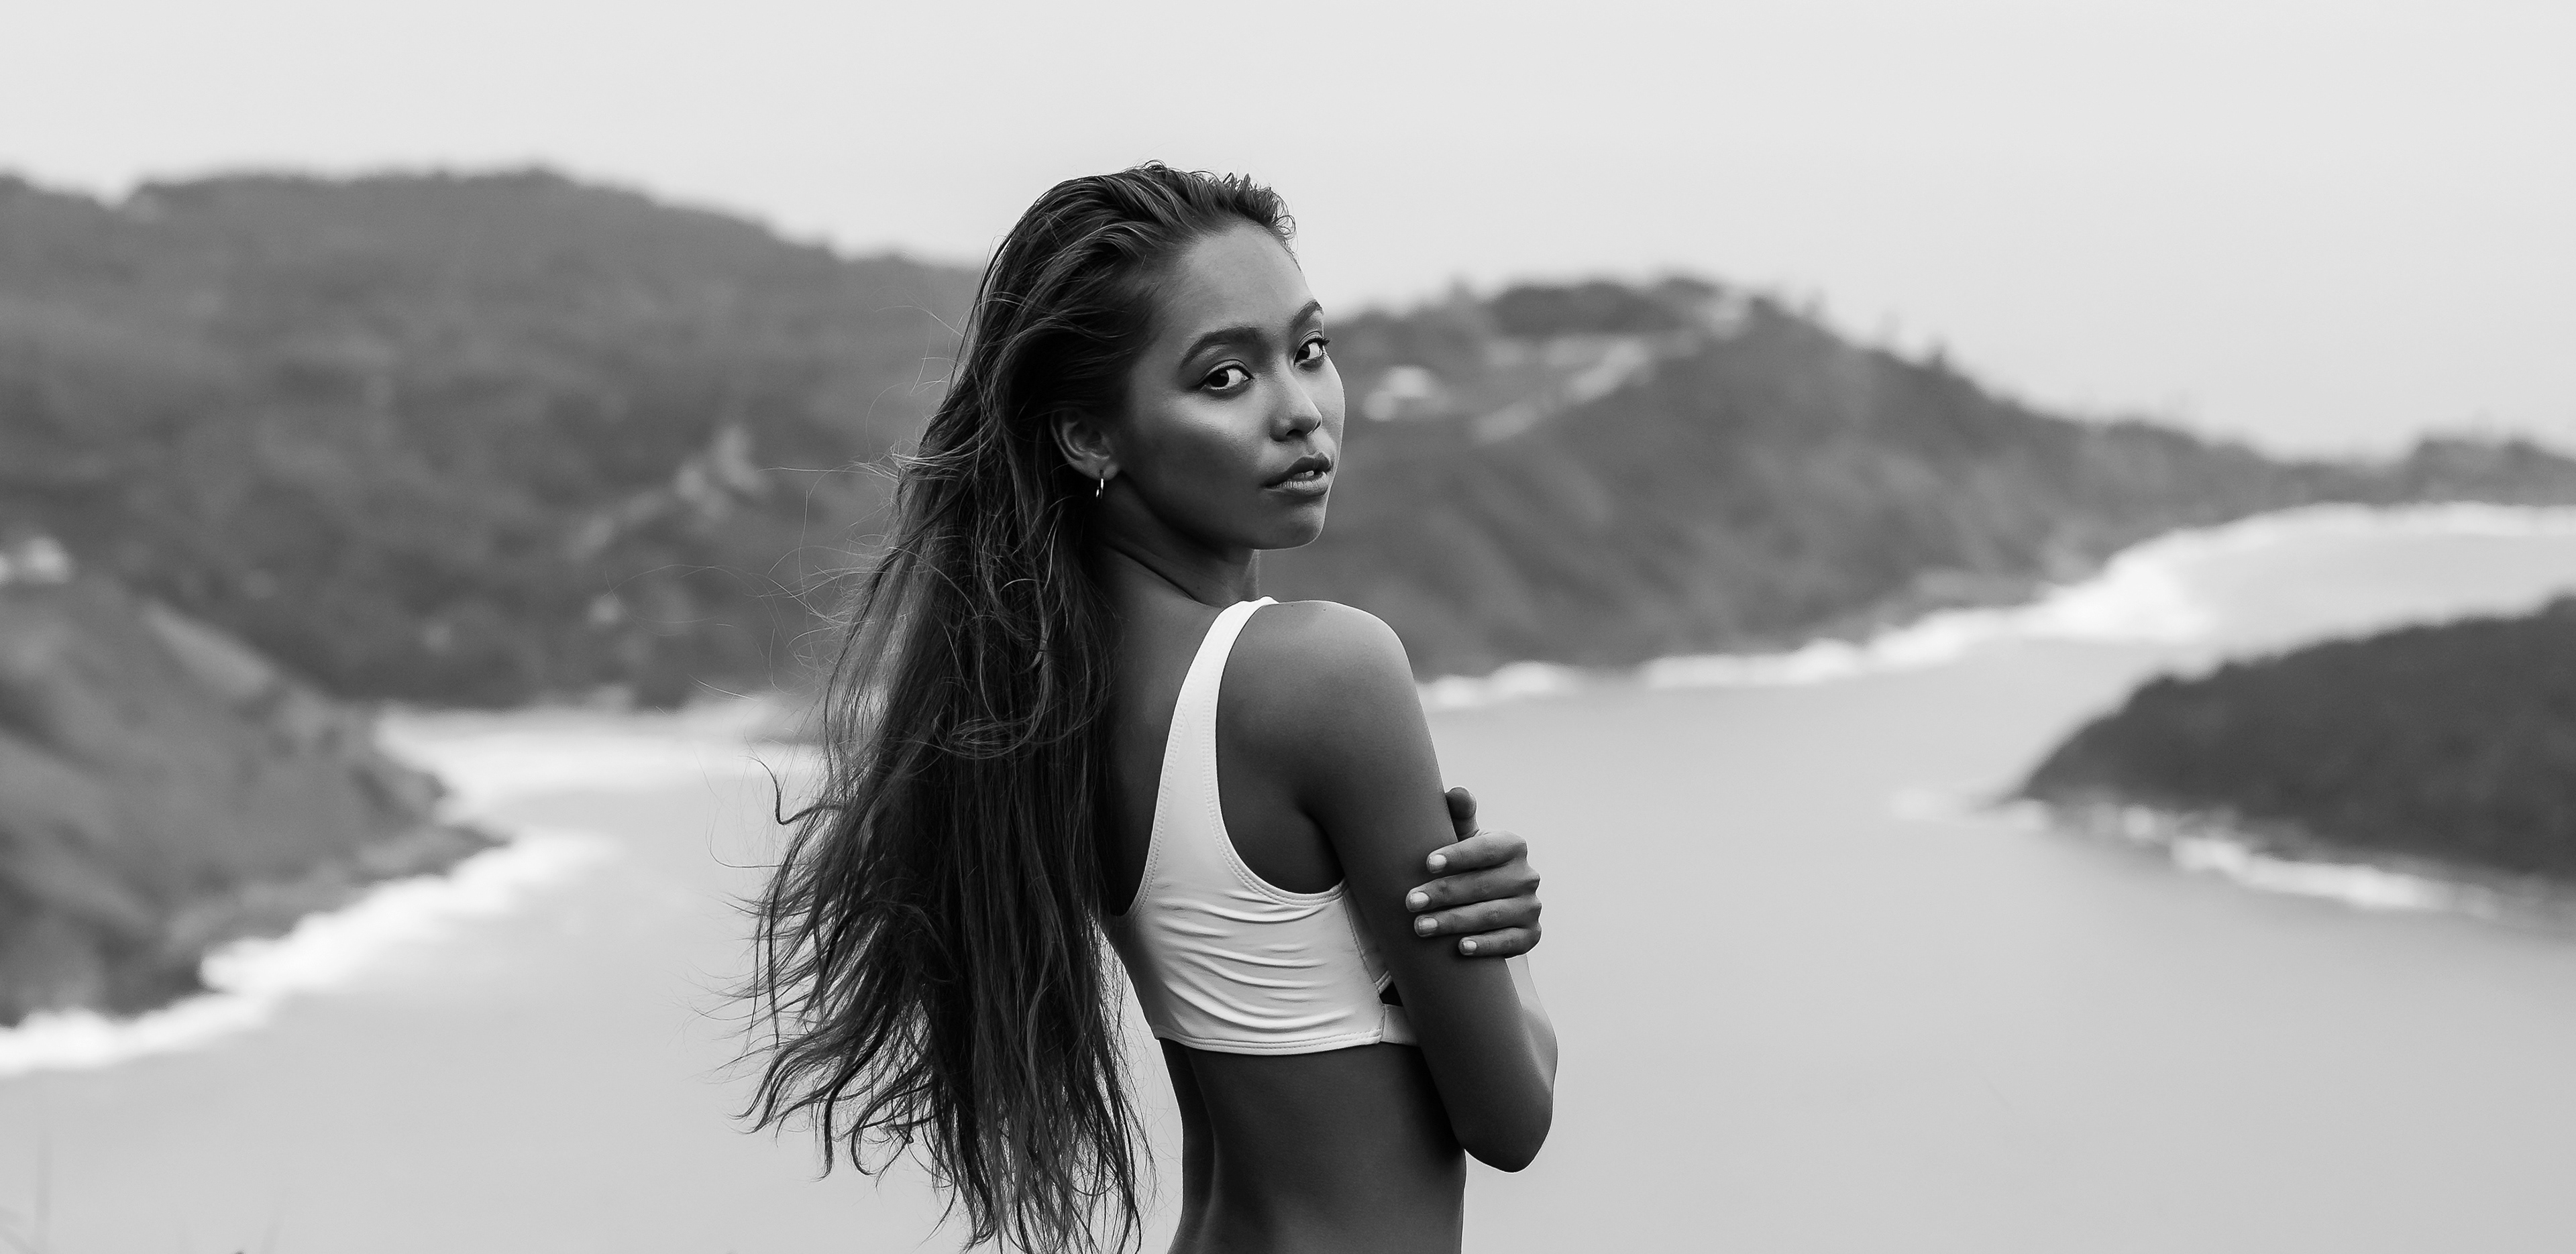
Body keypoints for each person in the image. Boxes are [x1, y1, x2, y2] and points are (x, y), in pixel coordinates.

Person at [746, 164, 1557, 1254]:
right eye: (1225, 377)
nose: (1300, 410)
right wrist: (1503, 948)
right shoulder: (1322, 674)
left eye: (1310, 349)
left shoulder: (1050, 695)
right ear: (1090, 436)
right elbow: (1511, 1116)